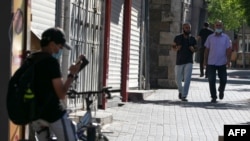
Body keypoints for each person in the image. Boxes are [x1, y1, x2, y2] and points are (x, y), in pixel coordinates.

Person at [30, 27, 83, 140]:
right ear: (52, 44)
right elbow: (61, 94)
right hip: (53, 114)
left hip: (36, 115)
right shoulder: (51, 62)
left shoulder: (31, 59)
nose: (59, 51)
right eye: (60, 47)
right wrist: (71, 75)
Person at [203, 20, 231, 103]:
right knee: (211, 80)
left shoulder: (226, 38)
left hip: (222, 62)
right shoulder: (210, 37)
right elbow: (206, 50)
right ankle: (213, 97)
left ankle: (221, 90)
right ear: (214, 27)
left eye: (220, 25)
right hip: (211, 62)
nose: (218, 27)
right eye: (217, 25)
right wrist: (204, 61)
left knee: (224, 80)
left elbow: (228, 50)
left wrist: (228, 61)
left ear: (222, 27)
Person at [172, 23, 197, 102]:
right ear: (183, 28)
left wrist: (193, 49)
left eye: (189, 28)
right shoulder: (178, 37)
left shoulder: (192, 39)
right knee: (178, 79)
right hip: (179, 61)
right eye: (186, 28)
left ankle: (184, 95)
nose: (188, 29)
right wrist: (177, 48)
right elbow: (173, 46)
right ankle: (180, 91)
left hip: (189, 61)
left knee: (187, 79)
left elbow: (196, 49)